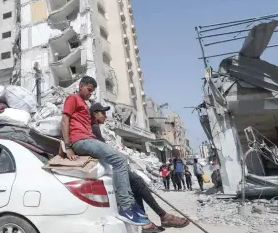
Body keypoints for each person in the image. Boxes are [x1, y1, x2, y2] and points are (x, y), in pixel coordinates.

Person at [61, 76, 148, 226]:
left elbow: (89, 121)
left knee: (122, 162)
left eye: (92, 91)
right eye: (88, 90)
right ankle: (125, 208)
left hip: (89, 139)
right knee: (119, 160)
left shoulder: (85, 104)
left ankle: (131, 203)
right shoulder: (73, 98)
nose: (90, 93)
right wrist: (68, 146)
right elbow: (65, 120)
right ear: (81, 86)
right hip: (81, 141)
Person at [90, 103, 190, 231]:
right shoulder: (94, 128)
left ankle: (148, 221)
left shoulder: (96, 128)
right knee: (137, 182)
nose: (105, 115)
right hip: (111, 165)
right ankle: (162, 216)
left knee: (136, 184)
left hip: (112, 165)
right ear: (95, 114)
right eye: (103, 113)